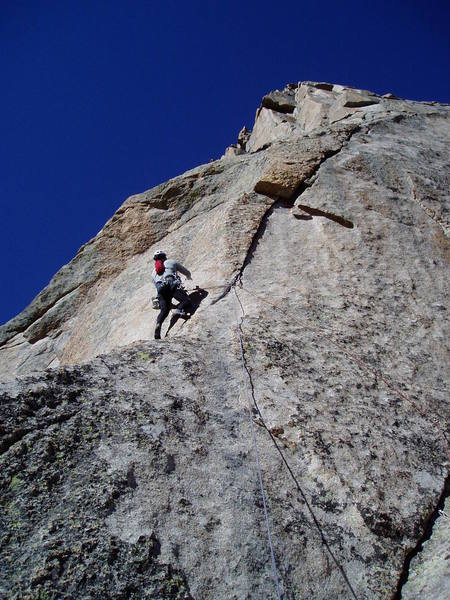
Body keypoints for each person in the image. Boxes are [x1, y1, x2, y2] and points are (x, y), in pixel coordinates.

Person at [152, 250, 192, 339]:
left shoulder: (153, 272)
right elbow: (185, 271)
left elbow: (157, 285)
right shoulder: (170, 262)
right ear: (164, 257)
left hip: (160, 289)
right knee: (186, 300)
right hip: (171, 284)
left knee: (164, 310)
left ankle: (158, 324)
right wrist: (189, 276)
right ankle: (178, 311)